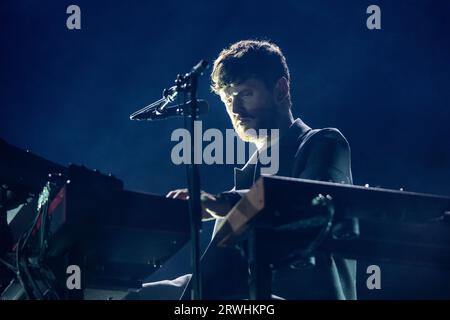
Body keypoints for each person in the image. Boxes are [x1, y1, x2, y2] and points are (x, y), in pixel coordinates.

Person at [138, 39, 356, 300]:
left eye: (245, 94)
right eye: (228, 99)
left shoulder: (323, 142)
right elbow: (210, 280)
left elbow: (309, 204)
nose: (236, 109)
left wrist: (223, 203)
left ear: (280, 89)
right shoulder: (245, 178)